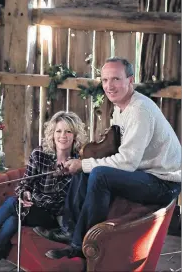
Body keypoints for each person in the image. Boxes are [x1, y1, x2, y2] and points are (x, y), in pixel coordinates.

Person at [35, 57, 181, 261]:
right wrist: (83, 161)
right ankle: (68, 230)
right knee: (84, 163)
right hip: (144, 172)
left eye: (115, 79)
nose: (109, 86)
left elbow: (127, 162)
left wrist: (85, 165)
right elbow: (115, 149)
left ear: (130, 81)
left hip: (163, 182)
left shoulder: (140, 110)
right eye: (104, 80)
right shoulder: (120, 107)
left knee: (98, 173)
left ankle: (81, 246)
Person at [0, 111, 87, 271]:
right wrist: (25, 192)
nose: (63, 136)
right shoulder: (39, 154)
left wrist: (60, 178)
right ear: (52, 133)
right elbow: (26, 183)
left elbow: (62, 205)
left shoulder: (79, 164)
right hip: (30, 207)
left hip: (51, 217)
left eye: (68, 131)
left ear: (75, 135)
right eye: (59, 131)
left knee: (12, 203)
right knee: (12, 220)